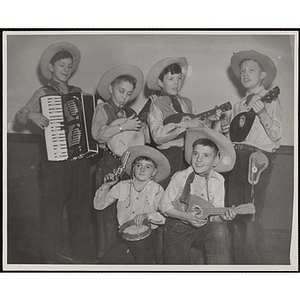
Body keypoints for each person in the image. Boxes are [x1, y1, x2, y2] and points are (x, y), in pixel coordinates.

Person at [15, 42, 96, 264]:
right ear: (51, 67)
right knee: (52, 211)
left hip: (78, 162)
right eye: (62, 65)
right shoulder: (43, 92)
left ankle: (82, 256)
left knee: (79, 209)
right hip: (54, 163)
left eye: (69, 66)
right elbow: (20, 116)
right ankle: (48, 259)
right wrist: (32, 116)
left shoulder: (78, 93)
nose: (66, 69)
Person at [220, 50, 283, 264]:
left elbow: (276, 135)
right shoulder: (239, 105)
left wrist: (263, 112)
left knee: (252, 216)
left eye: (251, 70)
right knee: (236, 216)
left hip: (257, 160)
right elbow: (238, 138)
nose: (245, 74)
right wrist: (226, 131)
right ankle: (239, 267)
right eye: (242, 71)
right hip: (237, 160)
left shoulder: (270, 100)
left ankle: (255, 269)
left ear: (263, 75)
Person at [159, 127, 237, 264]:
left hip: (203, 227)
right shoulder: (180, 177)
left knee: (220, 231)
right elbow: (163, 205)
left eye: (206, 155)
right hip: (178, 226)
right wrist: (185, 216)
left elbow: (215, 217)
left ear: (215, 160)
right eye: (195, 154)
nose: (199, 160)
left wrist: (223, 217)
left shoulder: (218, 181)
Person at [91, 65, 145, 258]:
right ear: (110, 89)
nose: (124, 97)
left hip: (127, 166)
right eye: (121, 91)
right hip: (109, 164)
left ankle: (123, 257)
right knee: (106, 215)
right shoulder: (103, 108)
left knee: (125, 212)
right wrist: (124, 126)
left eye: (128, 93)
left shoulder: (130, 111)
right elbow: (98, 134)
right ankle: (105, 258)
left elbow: (138, 138)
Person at [147, 57, 221, 190]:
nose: (176, 83)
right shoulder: (156, 105)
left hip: (188, 155)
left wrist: (209, 121)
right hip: (168, 155)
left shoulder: (187, 102)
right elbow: (157, 136)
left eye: (179, 79)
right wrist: (183, 125)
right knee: (166, 191)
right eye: (171, 79)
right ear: (160, 82)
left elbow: (198, 130)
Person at [94, 145, 170, 264]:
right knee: (104, 264)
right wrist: (106, 186)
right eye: (138, 165)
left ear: (154, 172)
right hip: (124, 236)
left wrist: (147, 216)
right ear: (133, 168)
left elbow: (164, 216)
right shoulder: (122, 186)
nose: (142, 170)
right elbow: (99, 205)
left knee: (142, 260)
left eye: (148, 167)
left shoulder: (157, 189)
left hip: (147, 237)